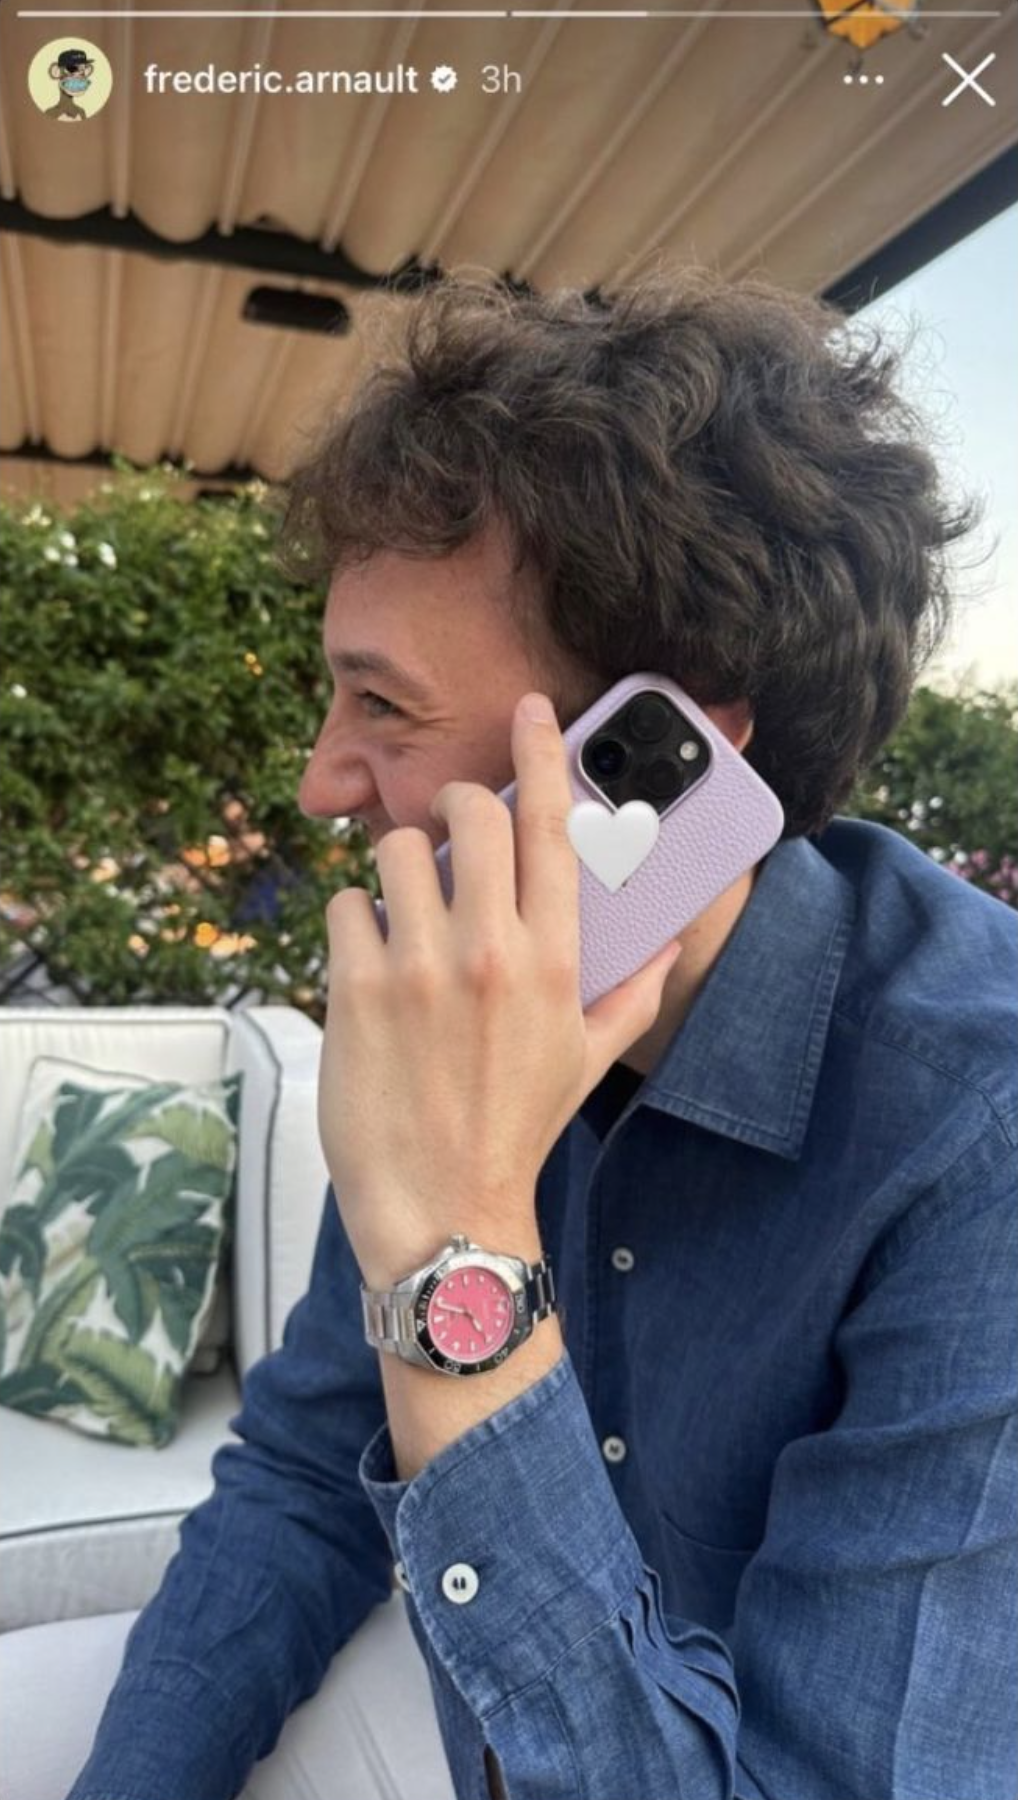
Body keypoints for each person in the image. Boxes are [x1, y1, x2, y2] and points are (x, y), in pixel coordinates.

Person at [8, 270, 1015, 1800]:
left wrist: (456, 1239)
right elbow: (305, 1474)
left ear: (652, 767)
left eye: (382, 707)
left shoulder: (974, 1134)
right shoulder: (468, 1009)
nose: (320, 782)